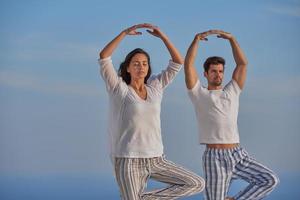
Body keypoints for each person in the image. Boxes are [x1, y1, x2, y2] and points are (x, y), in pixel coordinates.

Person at [98, 23, 205, 200]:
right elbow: (104, 57)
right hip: (128, 160)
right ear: (128, 68)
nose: (141, 67)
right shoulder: (119, 89)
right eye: (136, 64)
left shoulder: (156, 86)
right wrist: (124, 33)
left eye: (145, 64)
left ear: (148, 67)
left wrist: (163, 37)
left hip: (156, 159)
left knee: (196, 183)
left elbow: (178, 62)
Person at [184, 30, 279, 200]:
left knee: (270, 180)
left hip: (237, 154)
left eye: (221, 71)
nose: (218, 74)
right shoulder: (198, 94)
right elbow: (188, 65)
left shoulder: (232, 91)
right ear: (205, 73)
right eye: (213, 71)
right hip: (214, 158)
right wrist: (196, 40)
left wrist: (232, 39)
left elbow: (242, 64)